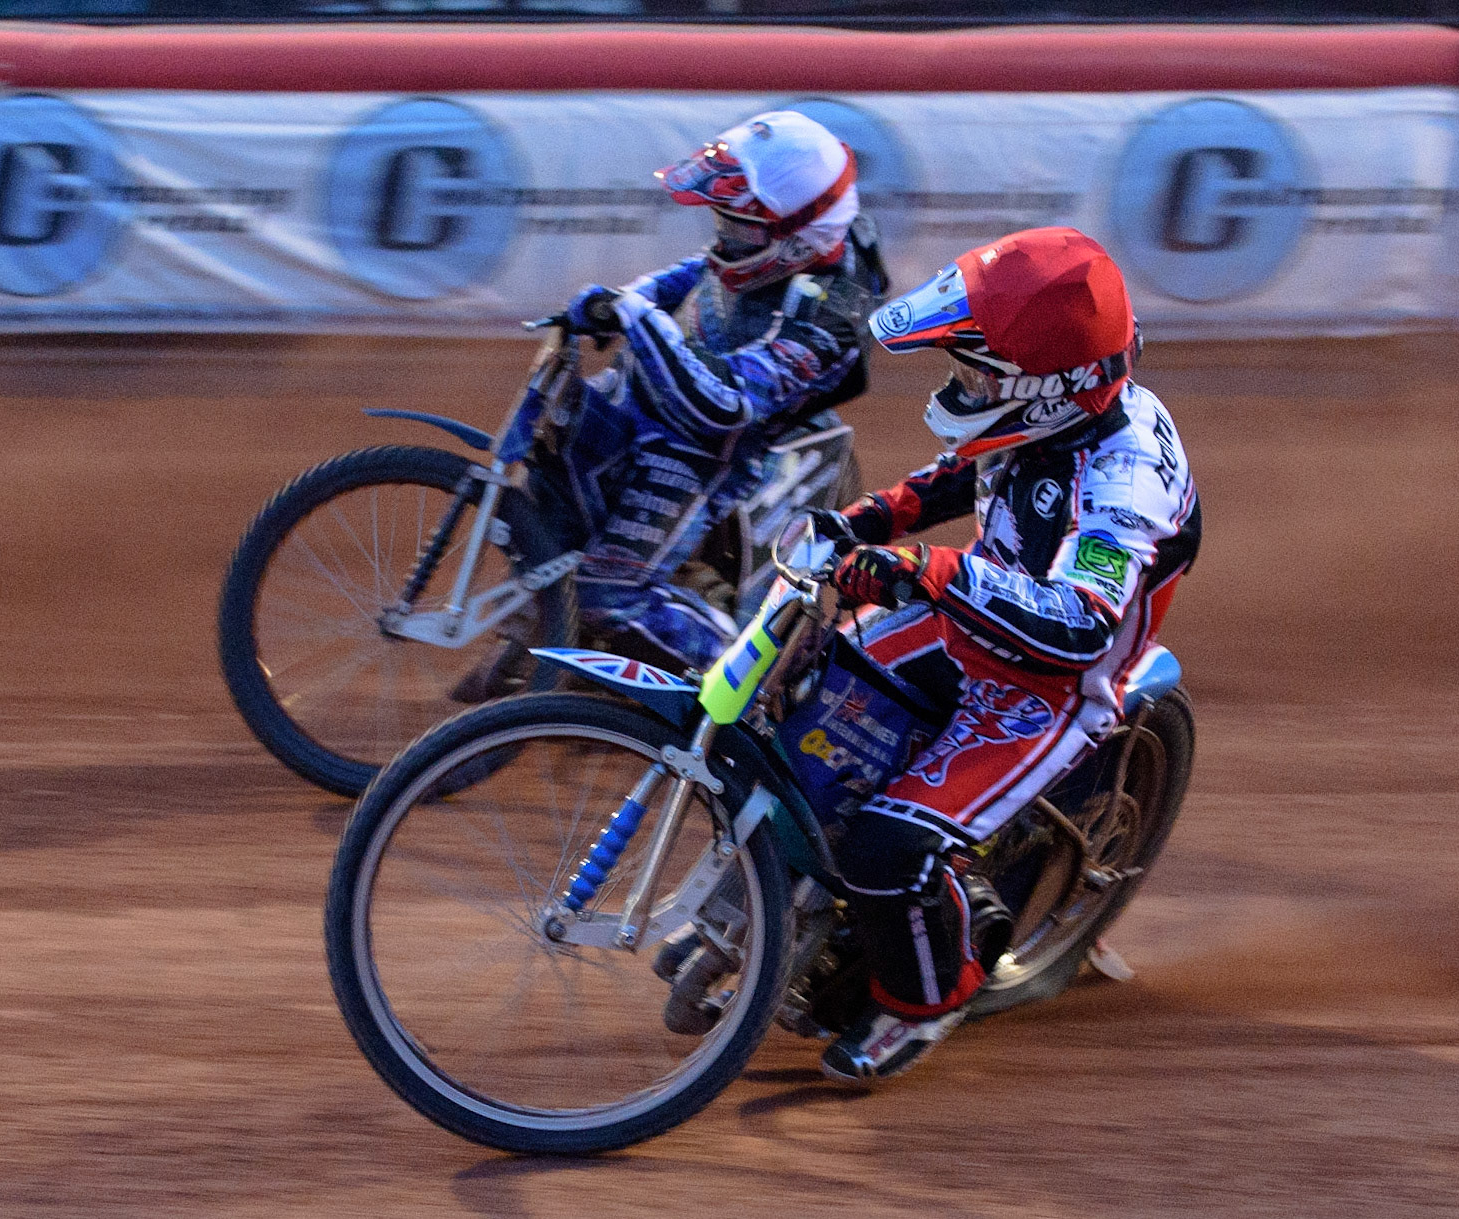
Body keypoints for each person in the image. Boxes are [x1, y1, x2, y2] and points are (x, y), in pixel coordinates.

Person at [809, 226, 1201, 1084]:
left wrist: (928, 568)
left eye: (977, 372)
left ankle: (923, 999)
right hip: (971, 617)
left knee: (885, 847)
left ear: (1051, 387)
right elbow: (965, 471)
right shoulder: (1052, 412)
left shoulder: (1123, 476)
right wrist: (868, 520)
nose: (962, 385)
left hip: (1052, 682)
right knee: (806, 696)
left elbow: (1079, 621)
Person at [453, 110, 885, 700]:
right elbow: (700, 272)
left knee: (611, 590)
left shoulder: (832, 322)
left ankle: (756, 687)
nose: (724, 238)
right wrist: (629, 299)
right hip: (659, 397)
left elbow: (727, 407)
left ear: (797, 235)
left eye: (741, 228)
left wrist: (637, 319)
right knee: (551, 481)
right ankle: (541, 637)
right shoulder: (779, 244)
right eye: (722, 220)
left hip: (707, 452)